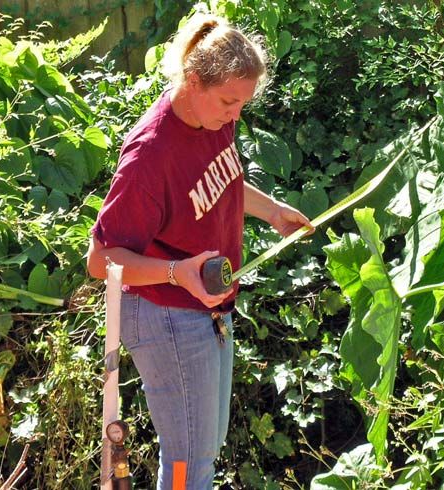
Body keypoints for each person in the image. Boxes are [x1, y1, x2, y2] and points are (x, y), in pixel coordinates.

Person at [86, 13, 313, 490]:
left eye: (243, 104)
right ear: (193, 80)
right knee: (191, 462)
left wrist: (270, 210)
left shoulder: (212, 118)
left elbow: (221, 181)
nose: (236, 116)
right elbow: (101, 259)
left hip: (207, 306)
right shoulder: (150, 155)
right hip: (165, 313)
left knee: (204, 450)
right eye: (230, 102)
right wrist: (176, 272)